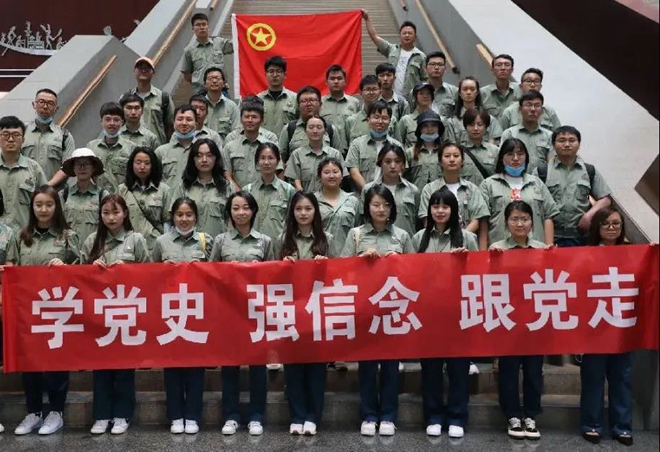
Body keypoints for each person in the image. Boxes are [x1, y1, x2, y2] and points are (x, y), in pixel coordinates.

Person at [7, 185, 80, 436]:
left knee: (56, 362)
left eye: (49, 204)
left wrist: (66, 267)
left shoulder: (68, 236)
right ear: (32, 207)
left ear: (56, 207)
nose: (44, 209)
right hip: (28, 311)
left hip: (57, 310)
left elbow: (82, 272)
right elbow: (12, 268)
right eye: (38, 204)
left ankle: (56, 412)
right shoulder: (22, 236)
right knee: (30, 364)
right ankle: (34, 412)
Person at [341, 184, 413, 437]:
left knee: (391, 366)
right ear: (367, 208)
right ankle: (369, 415)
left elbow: (416, 273)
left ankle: (389, 416)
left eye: (386, 205)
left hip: (393, 309)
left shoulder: (402, 236)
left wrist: (399, 262)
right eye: (376, 205)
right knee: (368, 366)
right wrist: (360, 262)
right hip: (365, 308)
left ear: (392, 208)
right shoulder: (356, 235)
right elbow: (343, 270)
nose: (381, 209)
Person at [82, 194, 150, 435]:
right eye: (106, 213)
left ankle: (122, 414)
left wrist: (129, 270)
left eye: (115, 212)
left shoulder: (136, 239)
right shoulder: (92, 240)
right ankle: (101, 415)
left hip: (128, 311)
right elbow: (78, 278)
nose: (111, 218)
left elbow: (150, 275)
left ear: (125, 214)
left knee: (124, 368)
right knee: (100, 366)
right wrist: (91, 269)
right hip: (98, 313)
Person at [414, 187, 477, 438]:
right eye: (435, 206)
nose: (440, 211)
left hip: (458, 314)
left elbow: (478, 276)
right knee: (430, 369)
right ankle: (433, 415)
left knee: (458, 369)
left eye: (445, 206)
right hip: (428, 315)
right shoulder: (419, 238)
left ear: (454, 210)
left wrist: (465, 262)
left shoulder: (468, 239)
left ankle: (457, 417)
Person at [210, 191, 274, 437]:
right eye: (235, 208)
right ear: (229, 212)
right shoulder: (220, 241)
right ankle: (231, 415)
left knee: (258, 367)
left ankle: (257, 416)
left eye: (246, 207)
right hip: (229, 311)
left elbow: (275, 276)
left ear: (253, 210)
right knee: (230, 367)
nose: (241, 212)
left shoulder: (265, 241)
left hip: (257, 311)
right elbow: (210, 274)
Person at [489, 200, 548, 441]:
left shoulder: (542, 249)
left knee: (534, 371)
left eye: (524, 219)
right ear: (506, 223)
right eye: (514, 219)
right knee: (509, 370)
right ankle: (512, 415)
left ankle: (531, 415)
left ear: (532, 222)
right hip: (508, 319)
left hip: (535, 318)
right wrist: (492, 260)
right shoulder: (497, 248)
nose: (520, 224)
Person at [153, 197, 212, 435]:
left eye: (189, 214)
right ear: (173, 217)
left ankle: (192, 415)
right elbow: (149, 275)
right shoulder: (161, 242)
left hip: (198, 310)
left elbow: (217, 273)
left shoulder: (206, 241)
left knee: (196, 366)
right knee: (172, 365)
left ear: (196, 217)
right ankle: (176, 415)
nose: (184, 219)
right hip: (170, 311)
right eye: (179, 215)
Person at [276, 192, 332, 436]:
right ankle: (297, 416)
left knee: (316, 368)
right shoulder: (282, 239)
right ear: (292, 212)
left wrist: (326, 264)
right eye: (298, 208)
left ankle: (312, 417)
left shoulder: (327, 238)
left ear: (315, 211)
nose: (303, 213)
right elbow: (270, 276)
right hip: (291, 311)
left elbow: (342, 272)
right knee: (293, 367)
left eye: (308, 208)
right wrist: (283, 265)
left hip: (318, 311)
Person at [580, 206, 634, 447]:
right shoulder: (586, 254)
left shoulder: (632, 253)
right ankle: (591, 424)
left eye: (616, 224)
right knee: (593, 378)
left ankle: (622, 427)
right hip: (595, 325)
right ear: (597, 228)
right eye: (606, 224)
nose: (611, 228)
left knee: (622, 378)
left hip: (622, 325)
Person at [479, 138, 558, 248]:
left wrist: (549, 247)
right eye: (510, 154)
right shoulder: (488, 184)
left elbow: (548, 215)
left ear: (526, 157)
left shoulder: (536, 183)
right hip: (500, 250)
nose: (515, 158)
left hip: (535, 248)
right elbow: (483, 221)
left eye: (520, 154)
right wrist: (483, 252)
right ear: (501, 158)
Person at [542, 126, 612, 247]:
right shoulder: (542, 170)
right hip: (548, 236)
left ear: (579, 144)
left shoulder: (589, 170)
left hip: (580, 236)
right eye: (561, 140)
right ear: (553, 145)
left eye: (572, 140)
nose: (567, 144)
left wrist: (589, 215)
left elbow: (605, 199)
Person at [169, 138, 233, 239]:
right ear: (193, 159)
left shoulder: (226, 186)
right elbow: (174, 216)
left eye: (209, 155)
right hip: (188, 244)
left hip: (217, 244)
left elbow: (232, 219)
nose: (204, 160)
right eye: (199, 155)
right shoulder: (184, 186)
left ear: (216, 158)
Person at [419, 143, 489, 235]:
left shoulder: (472, 189)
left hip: (466, 241)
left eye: (456, 156)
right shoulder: (429, 189)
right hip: (437, 240)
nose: (452, 159)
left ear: (462, 161)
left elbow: (477, 219)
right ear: (440, 161)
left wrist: (460, 237)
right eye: (447, 156)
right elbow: (427, 220)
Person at [363, 10, 426, 102]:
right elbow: (374, 37)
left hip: (410, 100)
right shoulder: (392, 49)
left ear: (415, 37)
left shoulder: (420, 56)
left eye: (410, 33)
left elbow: (425, 80)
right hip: (389, 98)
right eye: (404, 33)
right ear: (400, 36)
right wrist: (367, 19)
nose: (407, 35)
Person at [118, 147, 170, 252]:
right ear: (132, 165)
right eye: (138, 163)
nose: (142, 167)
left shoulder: (163, 190)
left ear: (153, 166)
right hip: (128, 246)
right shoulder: (123, 189)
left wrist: (167, 245)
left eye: (147, 163)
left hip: (154, 246)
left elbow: (167, 221)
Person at [362, 142, 419, 238]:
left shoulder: (413, 190)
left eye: (397, 161)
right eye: (388, 162)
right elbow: (363, 220)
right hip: (374, 242)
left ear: (403, 164)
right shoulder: (368, 189)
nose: (393, 166)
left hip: (405, 243)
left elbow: (418, 222)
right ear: (380, 163)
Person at [0, 116, 48, 229]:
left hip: (25, 235)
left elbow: (46, 202)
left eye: (16, 135)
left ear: (23, 140)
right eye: (5, 135)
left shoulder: (34, 168)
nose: (10, 139)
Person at [21, 88, 75, 185]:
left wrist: (48, 186)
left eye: (50, 103)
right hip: (26, 190)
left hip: (55, 191)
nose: (45, 107)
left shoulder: (65, 135)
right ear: (34, 105)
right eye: (41, 102)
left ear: (56, 108)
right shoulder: (21, 133)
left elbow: (68, 166)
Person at [242, 143, 295, 242]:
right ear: (257, 162)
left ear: (278, 161)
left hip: (279, 245)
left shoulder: (288, 190)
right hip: (252, 245)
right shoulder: (248, 190)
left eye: (270, 158)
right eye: (262, 158)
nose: (266, 162)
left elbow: (292, 221)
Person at [346, 101, 403, 191]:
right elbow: (354, 172)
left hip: (390, 194)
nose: (380, 121)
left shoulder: (397, 145)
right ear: (368, 120)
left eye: (384, 118)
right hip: (363, 195)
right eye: (376, 117)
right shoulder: (357, 144)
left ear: (390, 121)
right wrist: (369, 192)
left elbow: (401, 171)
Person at [223, 100, 279, 190]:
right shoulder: (230, 147)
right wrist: (238, 192)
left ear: (262, 120)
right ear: (241, 119)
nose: (250, 120)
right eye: (246, 117)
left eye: (254, 117)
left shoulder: (271, 147)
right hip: (238, 195)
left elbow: (278, 172)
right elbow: (227, 175)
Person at [280, 86, 343, 162]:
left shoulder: (330, 129)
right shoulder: (290, 128)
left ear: (320, 104)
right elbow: (280, 159)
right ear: (298, 106)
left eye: (312, 100)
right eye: (304, 101)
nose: (309, 104)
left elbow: (338, 158)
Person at [285, 115, 346, 193]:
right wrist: (302, 196)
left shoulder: (335, 154)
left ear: (325, 131)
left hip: (331, 197)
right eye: (311, 127)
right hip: (306, 197)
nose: (315, 131)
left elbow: (342, 178)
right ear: (305, 131)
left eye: (319, 127)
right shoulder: (297, 155)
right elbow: (295, 180)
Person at [61, 148, 109, 245]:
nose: (82, 168)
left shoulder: (103, 195)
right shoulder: (63, 195)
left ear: (93, 167)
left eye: (86, 164)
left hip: (93, 249)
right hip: (68, 250)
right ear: (73, 168)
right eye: (78, 164)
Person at [87, 102, 136, 194]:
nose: (112, 123)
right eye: (107, 119)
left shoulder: (131, 148)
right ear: (101, 122)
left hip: (122, 197)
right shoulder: (91, 147)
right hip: (97, 197)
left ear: (122, 122)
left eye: (116, 120)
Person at [315, 157, 360, 257]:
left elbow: (359, 231)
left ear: (342, 176)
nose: (331, 176)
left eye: (335, 172)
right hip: (320, 257)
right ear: (319, 177)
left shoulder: (353, 201)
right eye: (326, 172)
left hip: (347, 257)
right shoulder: (312, 201)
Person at [500, 92, 553, 172]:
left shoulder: (549, 136)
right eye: (528, 105)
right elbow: (502, 160)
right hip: (514, 177)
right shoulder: (509, 134)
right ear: (520, 109)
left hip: (540, 178)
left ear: (542, 110)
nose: (533, 109)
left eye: (537, 105)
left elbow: (551, 163)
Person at [182, 12, 234, 94]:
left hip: (222, 90)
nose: (202, 27)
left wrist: (235, 24)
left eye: (204, 24)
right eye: (198, 25)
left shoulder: (219, 42)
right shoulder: (189, 50)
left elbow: (236, 46)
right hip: (201, 92)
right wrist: (199, 81)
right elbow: (187, 74)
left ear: (208, 27)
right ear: (193, 29)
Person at [128, 57, 174, 146]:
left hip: (157, 148)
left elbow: (171, 125)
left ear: (153, 72)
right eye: (140, 67)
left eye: (147, 68)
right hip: (132, 147)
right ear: (134, 71)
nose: (143, 70)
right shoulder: (126, 98)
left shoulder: (163, 97)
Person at [446, 76, 502, 147]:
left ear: (477, 92)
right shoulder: (452, 122)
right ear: (459, 93)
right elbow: (451, 147)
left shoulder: (490, 119)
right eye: (465, 89)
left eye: (472, 89)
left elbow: (493, 146)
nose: (468, 92)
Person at [345, 75, 397, 145]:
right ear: (360, 93)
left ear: (380, 91)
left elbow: (397, 145)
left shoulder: (391, 119)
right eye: (368, 89)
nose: (371, 92)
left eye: (375, 89)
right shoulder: (351, 121)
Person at [156, 105, 198, 188]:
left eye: (189, 119)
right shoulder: (161, 152)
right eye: (180, 119)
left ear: (196, 124)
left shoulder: (202, 151)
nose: (184, 123)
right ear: (174, 123)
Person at [404, 111, 445, 191]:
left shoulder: (445, 152)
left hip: (441, 195)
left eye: (434, 125)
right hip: (416, 196)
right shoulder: (410, 153)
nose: (430, 129)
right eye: (425, 126)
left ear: (439, 128)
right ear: (420, 129)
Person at [257, 56, 298, 134]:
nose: (275, 75)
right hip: (264, 141)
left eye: (278, 71)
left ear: (285, 74)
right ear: (265, 74)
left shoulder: (295, 99)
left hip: (287, 142)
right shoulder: (258, 99)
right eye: (271, 71)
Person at [320, 65, 360, 134]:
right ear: (326, 82)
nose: (336, 81)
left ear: (345, 82)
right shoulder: (320, 102)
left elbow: (358, 126)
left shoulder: (355, 102)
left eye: (339, 78)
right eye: (332, 78)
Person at [480, 54, 522, 119]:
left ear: (512, 70)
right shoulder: (482, 93)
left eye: (507, 65)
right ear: (492, 70)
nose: (503, 68)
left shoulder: (521, 90)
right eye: (499, 65)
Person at [462, 108, 499, 181]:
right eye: (471, 125)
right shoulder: (458, 151)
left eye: (480, 124)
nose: (476, 128)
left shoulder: (495, 151)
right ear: (465, 127)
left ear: (486, 127)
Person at [396, 82, 436, 149]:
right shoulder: (406, 120)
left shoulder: (439, 120)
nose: (425, 96)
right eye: (421, 93)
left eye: (428, 93)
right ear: (415, 97)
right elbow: (398, 144)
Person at [203, 67, 239, 139]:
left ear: (224, 83)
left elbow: (236, 132)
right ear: (204, 84)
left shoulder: (232, 106)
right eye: (210, 78)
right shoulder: (199, 106)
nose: (214, 81)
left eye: (217, 78)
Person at [424, 51, 458, 117]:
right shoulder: (416, 92)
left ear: (445, 69)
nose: (436, 67)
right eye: (433, 64)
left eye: (440, 64)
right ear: (425, 68)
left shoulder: (454, 92)